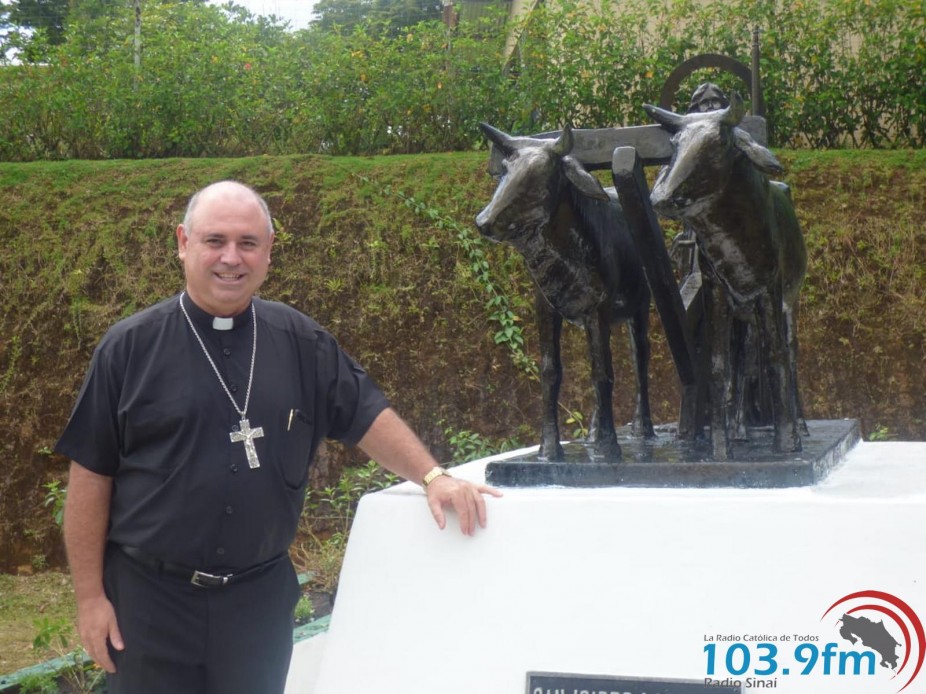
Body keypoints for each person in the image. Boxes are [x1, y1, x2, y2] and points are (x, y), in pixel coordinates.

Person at [56, 180, 503, 694]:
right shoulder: (128, 348)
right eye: (214, 241)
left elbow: (365, 413)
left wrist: (431, 475)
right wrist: (91, 599)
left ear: (269, 252)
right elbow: (91, 475)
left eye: (248, 243)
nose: (231, 258)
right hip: (150, 605)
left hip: (257, 607)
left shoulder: (301, 342)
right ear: (183, 243)